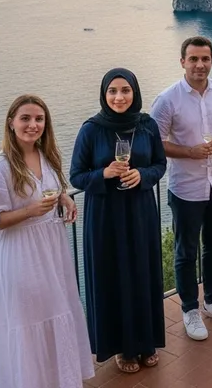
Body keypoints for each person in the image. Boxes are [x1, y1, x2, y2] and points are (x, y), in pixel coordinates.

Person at [0, 95, 94, 388]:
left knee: (58, 311)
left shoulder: (46, 156)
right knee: (29, 322)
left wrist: (65, 198)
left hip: (52, 251)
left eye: (39, 119)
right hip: (21, 256)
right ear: (11, 123)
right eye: (25, 118)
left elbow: (51, 189)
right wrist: (29, 212)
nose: (33, 125)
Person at [70, 68, 167, 375]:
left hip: (139, 209)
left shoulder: (147, 125)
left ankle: (147, 341)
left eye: (125, 90)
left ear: (134, 92)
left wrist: (143, 175)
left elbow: (159, 164)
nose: (119, 97)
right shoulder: (91, 129)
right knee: (113, 276)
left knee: (143, 271)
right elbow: (76, 176)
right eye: (112, 91)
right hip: (105, 216)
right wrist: (104, 174)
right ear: (104, 94)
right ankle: (122, 347)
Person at [151, 36, 212, 340]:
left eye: (205, 59)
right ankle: (189, 308)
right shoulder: (168, 100)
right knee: (186, 251)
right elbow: (156, 143)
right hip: (187, 188)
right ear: (182, 62)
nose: (200, 65)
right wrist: (189, 152)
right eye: (194, 59)